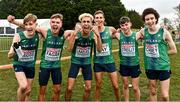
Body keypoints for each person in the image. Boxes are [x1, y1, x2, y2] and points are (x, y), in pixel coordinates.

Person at [8, 13, 71, 101]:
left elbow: (79, 31)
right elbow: (28, 26)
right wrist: (13, 21)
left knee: (54, 90)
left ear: (61, 24)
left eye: (57, 22)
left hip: (51, 66)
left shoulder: (65, 34)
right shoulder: (44, 32)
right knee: (32, 89)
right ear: (50, 23)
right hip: (43, 66)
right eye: (53, 22)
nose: (55, 24)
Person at [139, 8, 177, 101]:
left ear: (156, 19)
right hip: (150, 67)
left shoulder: (164, 32)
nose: (150, 21)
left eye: (152, 18)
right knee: (153, 92)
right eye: (147, 19)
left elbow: (174, 50)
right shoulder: (143, 32)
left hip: (163, 67)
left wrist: (161, 54)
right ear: (144, 21)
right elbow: (132, 38)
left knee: (165, 95)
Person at [65, 13, 102, 101]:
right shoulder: (76, 34)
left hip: (87, 64)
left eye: (88, 22)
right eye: (84, 21)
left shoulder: (93, 35)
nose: (86, 23)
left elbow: (99, 50)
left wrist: (98, 35)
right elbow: (69, 49)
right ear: (81, 23)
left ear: (91, 24)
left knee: (88, 88)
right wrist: (74, 34)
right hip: (75, 63)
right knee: (69, 88)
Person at [7, 13, 39, 101]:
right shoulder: (18, 36)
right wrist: (15, 48)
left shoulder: (38, 34)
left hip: (30, 66)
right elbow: (9, 55)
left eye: (31, 24)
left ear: (36, 25)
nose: (28, 27)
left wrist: (13, 21)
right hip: (19, 64)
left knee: (28, 91)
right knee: (23, 86)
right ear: (24, 26)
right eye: (26, 24)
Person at [93, 10, 121, 101]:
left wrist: (118, 32)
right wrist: (97, 34)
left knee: (116, 86)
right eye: (97, 18)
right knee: (98, 85)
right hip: (98, 62)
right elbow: (99, 49)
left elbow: (116, 34)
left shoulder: (110, 29)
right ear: (94, 19)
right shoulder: (92, 31)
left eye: (101, 17)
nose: (99, 19)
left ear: (104, 19)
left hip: (109, 61)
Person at [117, 16, 141, 101]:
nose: (125, 27)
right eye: (122, 25)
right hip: (124, 64)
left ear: (130, 24)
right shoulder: (118, 35)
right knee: (125, 85)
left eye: (126, 24)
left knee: (135, 87)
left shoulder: (137, 35)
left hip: (135, 64)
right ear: (120, 26)